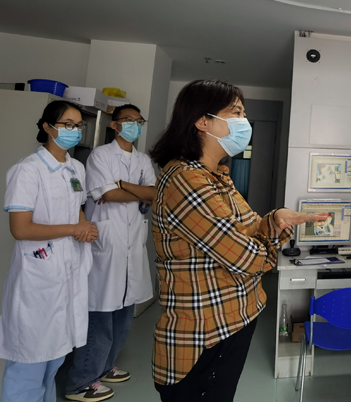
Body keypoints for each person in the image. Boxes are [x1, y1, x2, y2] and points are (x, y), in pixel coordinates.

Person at [148, 79, 327, 402]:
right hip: (204, 334)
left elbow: (251, 226)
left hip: (235, 320)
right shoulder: (185, 180)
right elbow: (248, 258)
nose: (244, 122)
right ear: (202, 121)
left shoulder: (217, 175)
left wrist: (274, 218)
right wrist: (269, 244)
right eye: (236, 113)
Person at [0, 100, 98, 402]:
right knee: (29, 360)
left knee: (54, 358)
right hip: (38, 279)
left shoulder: (76, 167)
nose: (74, 131)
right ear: (48, 127)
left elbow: (77, 207)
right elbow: (21, 229)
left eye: (78, 125)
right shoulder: (27, 170)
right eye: (67, 124)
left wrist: (84, 226)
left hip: (67, 273)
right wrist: (73, 229)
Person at [65, 104, 156, 401]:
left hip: (131, 243)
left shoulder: (143, 159)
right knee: (101, 314)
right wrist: (133, 192)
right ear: (115, 125)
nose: (134, 125)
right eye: (127, 120)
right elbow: (105, 194)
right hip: (107, 243)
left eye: (138, 121)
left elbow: (154, 194)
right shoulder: (100, 156)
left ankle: (104, 367)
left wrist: (122, 186)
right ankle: (81, 381)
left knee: (124, 312)